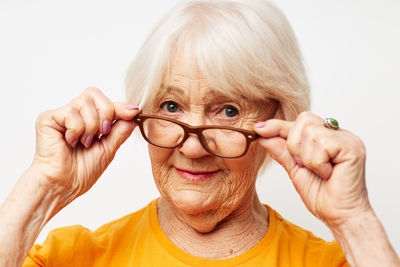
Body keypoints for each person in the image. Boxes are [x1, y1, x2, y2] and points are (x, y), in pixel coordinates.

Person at [0, 0, 399, 266]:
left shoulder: (332, 262)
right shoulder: (73, 258)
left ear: (281, 119)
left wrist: (353, 221)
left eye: (228, 111)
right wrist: (45, 185)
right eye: (170, 106)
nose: (191, 147)